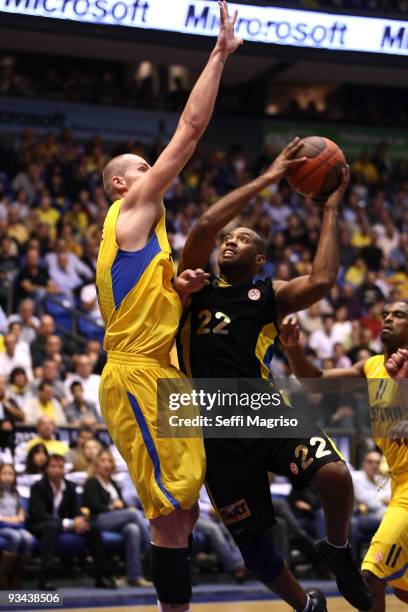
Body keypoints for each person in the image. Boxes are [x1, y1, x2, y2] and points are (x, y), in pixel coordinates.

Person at [177, 145, 371, 611]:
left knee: (336, 476)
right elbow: (204, 226)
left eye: (243, 240)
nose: (230, 241)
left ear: (260, 260)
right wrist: (268, 177)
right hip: (210, 426)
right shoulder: (194, 285)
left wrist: (330, 209)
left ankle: (337, 548)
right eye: (231, 238)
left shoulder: (270, 294)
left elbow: (322, 281)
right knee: (257, 550)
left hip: (262, 410)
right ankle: (305, 606)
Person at [97, 4, 242, 611]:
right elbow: (186, 134)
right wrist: (218, 55)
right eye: (140, 167)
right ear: (122, 186)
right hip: (138, 374)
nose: (150, 170)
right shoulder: (130, 212)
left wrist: (176, 291)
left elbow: (139, 298)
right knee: (169, 514)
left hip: (165, 372)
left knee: (183, 508)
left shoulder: (142, 238)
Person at [279, 300, 408, 610]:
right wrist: (294, 349)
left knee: (371, 576)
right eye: (385, 314)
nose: (388, 318)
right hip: (398, 486)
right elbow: (316, 382)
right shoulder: (372, 367)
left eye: (399, 315)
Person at [26, 453, 115, 590]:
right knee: (51, 527)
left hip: (65, 524)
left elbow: (76, 510)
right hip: (40, 525)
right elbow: (39, 514)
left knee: (93, 527)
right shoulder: (38, 487)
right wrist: (68, 523)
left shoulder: (70, 486)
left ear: (64, 469)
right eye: (53, 466)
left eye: (60, 466)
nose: (57, 469)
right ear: (46, 469)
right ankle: (45, 578)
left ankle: (102, 576)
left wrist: (79, 519)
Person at [83, 449, 151, 587]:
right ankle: (151, 546)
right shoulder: (92, 482)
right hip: (98, 519)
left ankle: (134, 576)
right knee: (133, 514)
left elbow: (122, 503)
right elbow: (92, 505)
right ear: (96, 464)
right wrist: (112, 507)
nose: (107, 464)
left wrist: (124, 506)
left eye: (109, 461)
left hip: (116, 520)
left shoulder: (113, 483)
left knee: (133, 529)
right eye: (103, 461)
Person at [0, 463, 34, 589]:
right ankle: (4, 574)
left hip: (15, 526)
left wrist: (19, 517)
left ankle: (17, 574)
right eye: (4, 473)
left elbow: (21, 514)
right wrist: (11, 519)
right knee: (16, 537)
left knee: (28, 538)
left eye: (11, 474)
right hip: (2, 527)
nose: (8, 477)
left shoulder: (16, 493)